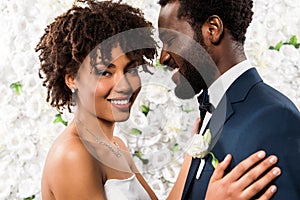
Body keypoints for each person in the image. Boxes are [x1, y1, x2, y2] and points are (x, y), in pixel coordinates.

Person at [36, 0, 280, 199]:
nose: (124, 85)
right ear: (71, 79)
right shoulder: (73, 155)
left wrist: (194, 150)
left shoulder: (116, 147)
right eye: (106, 72)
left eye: (131, 69)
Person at [158, 0, 300, 199]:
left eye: (170, 40)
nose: (163, 57)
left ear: (212, 29)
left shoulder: (274, 118)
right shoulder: (210, 112)